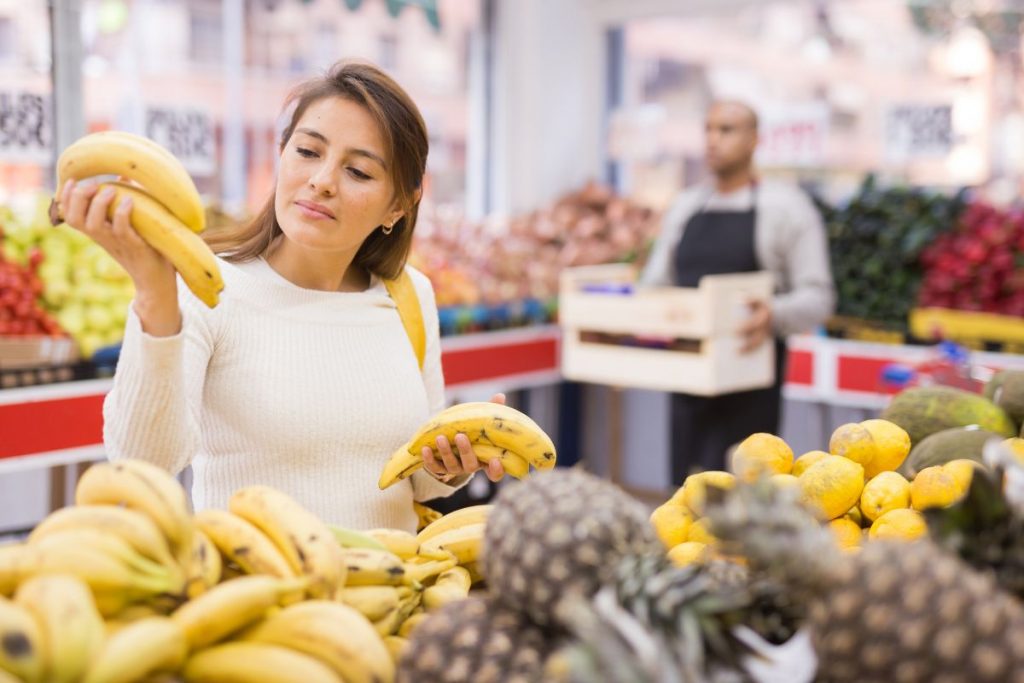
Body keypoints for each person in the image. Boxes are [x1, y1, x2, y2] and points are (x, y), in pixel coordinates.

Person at [57, 61, 504, 532]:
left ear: (399, 204)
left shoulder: (411, 296)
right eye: (308, 151)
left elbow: (421, 482)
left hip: (386, 592)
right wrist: (153, 295)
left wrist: (448, 466)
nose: (322, 180)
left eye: (357, 171)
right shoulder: (205, 290)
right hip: (261, 595)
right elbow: (144, 464)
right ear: (281, 153)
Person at [641, 99, 834, 483]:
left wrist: (774, 314)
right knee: (685, 500)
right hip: (687, 380)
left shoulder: (788, 209)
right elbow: (654, 285)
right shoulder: (684, 208)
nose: (713, 140)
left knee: (747, 507)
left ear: (754, 140)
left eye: (726, 130)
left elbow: (820, 297)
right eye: (709, 130)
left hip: (750, 386)